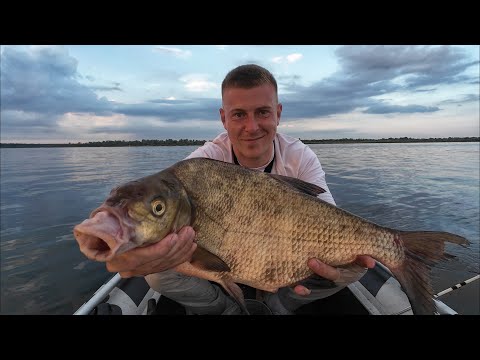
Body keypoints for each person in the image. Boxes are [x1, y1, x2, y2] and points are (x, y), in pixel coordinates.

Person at [106, 64, 375, 315]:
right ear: (224, 118)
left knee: (360, 265)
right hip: (225, 256)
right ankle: (226, 307)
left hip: (287, 257)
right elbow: (168, 199)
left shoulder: (300, 157)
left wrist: (336, 270)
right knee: (157, 273)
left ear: (278, 114)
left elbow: (332, 221)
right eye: (239, 115)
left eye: (262, 112)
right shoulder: (204, 162)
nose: (252, 127)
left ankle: (279, 304)